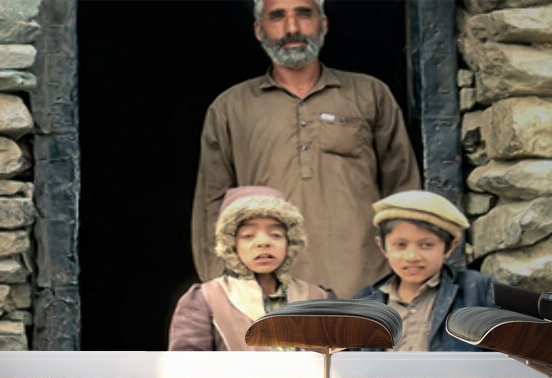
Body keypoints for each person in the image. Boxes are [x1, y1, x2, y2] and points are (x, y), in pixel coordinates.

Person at [191, 0, 421, 298]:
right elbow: (211, 206)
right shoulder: (230, 108)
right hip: (270, 291)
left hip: (367, 287)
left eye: (303, 14)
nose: (292, 28)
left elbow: (403, 190)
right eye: (277, 16)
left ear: (324, 24)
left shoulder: (369, 94)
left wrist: (408, 279)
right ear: (259, 30)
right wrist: (222, 290)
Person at [170, 186, 333, 351]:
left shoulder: (319, 299)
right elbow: (185, 371)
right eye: (248, 235)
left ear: (289, 241)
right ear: (232, 244)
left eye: (275, 234)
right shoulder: (206, 299)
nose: (263, 242)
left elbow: (344, 367)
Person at [355, 190, 495, 352]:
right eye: (400, 245)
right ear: (382, 246)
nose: (412, 256)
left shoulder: (478, 291)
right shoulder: (365, 301)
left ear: (450, 247)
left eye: (426, 245)